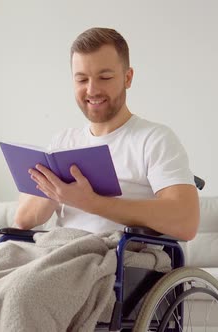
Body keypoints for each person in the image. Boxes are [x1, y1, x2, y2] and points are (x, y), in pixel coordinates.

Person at [14, 27, 199, 241]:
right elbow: (23, 221)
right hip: (57, 248)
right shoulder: (63, 142)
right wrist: (57, 191)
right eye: (82, 80)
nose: (92, 90)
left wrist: (92, 203)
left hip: (115, 258)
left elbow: (186, 222)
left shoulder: (154, 139)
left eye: (105, 77)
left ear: (128, 78)